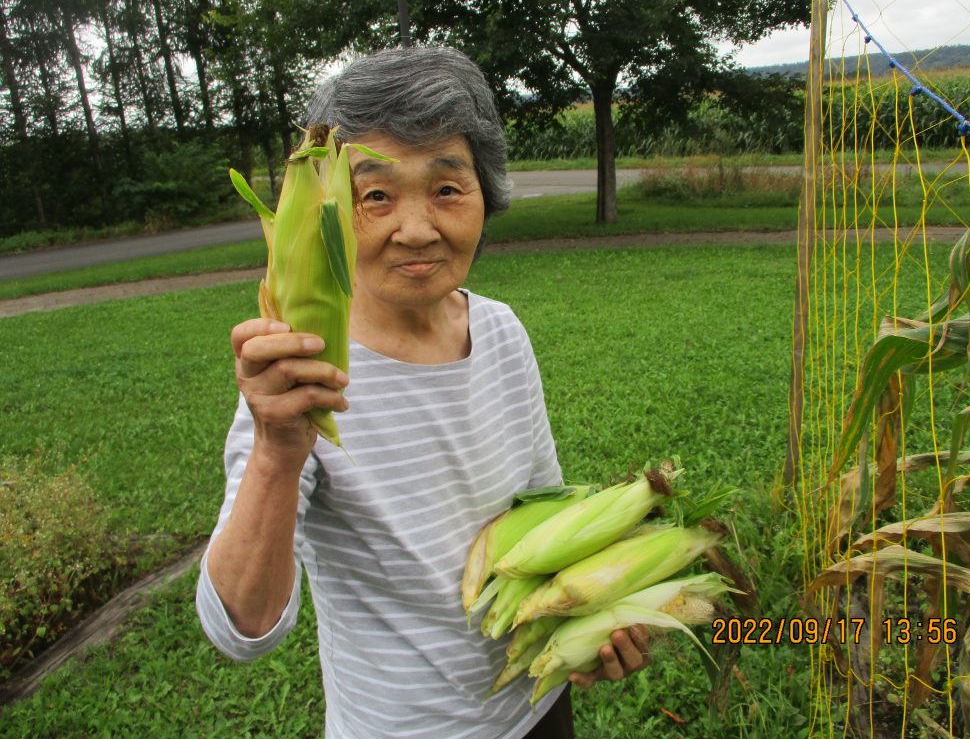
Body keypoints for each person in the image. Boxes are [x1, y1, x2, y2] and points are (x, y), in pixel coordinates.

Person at [196, 45, 649, 739]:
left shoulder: (501, 331)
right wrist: (276, 452)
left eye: (446, 188)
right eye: (374, 195)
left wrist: (596, 613)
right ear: (329, 210)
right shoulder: (298, 378)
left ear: (484, 195)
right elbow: (242, 630)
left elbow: (546, 515)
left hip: (537, 707)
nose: (416, 229)